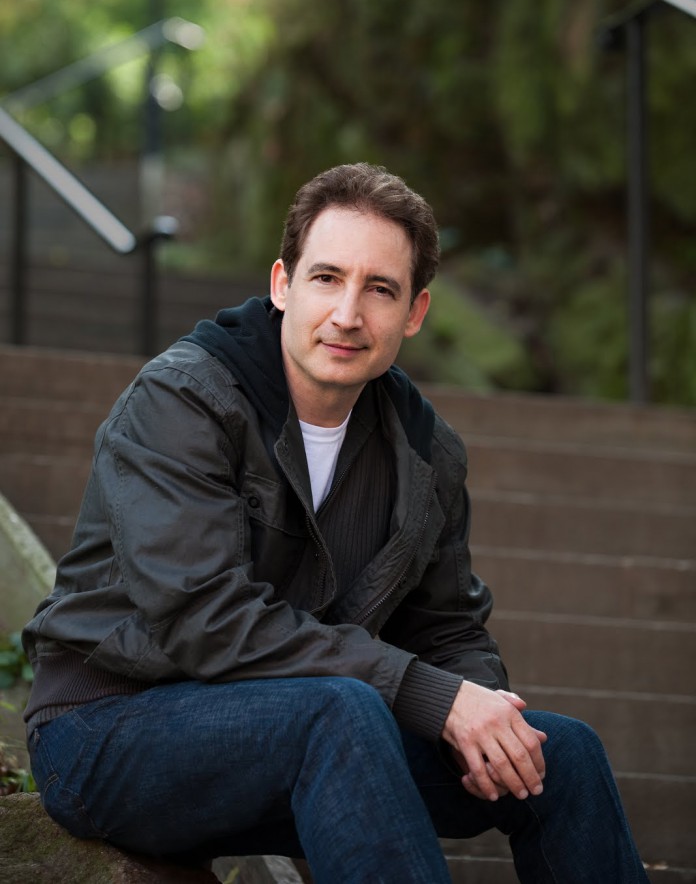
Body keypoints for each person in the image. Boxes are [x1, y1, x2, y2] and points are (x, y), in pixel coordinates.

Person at [22, 163, 648, 883]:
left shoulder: (425, 451)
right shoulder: (182, 400)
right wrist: (431, 697)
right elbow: (205, 618)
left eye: (379, 289)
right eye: (327, 278)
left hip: (298, 728)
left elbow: (445, 627)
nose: (348, 314)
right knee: (340, 712)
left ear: (414, 312)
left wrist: (481, 709)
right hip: (107, 729)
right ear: (283, 284)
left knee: (559, 756)